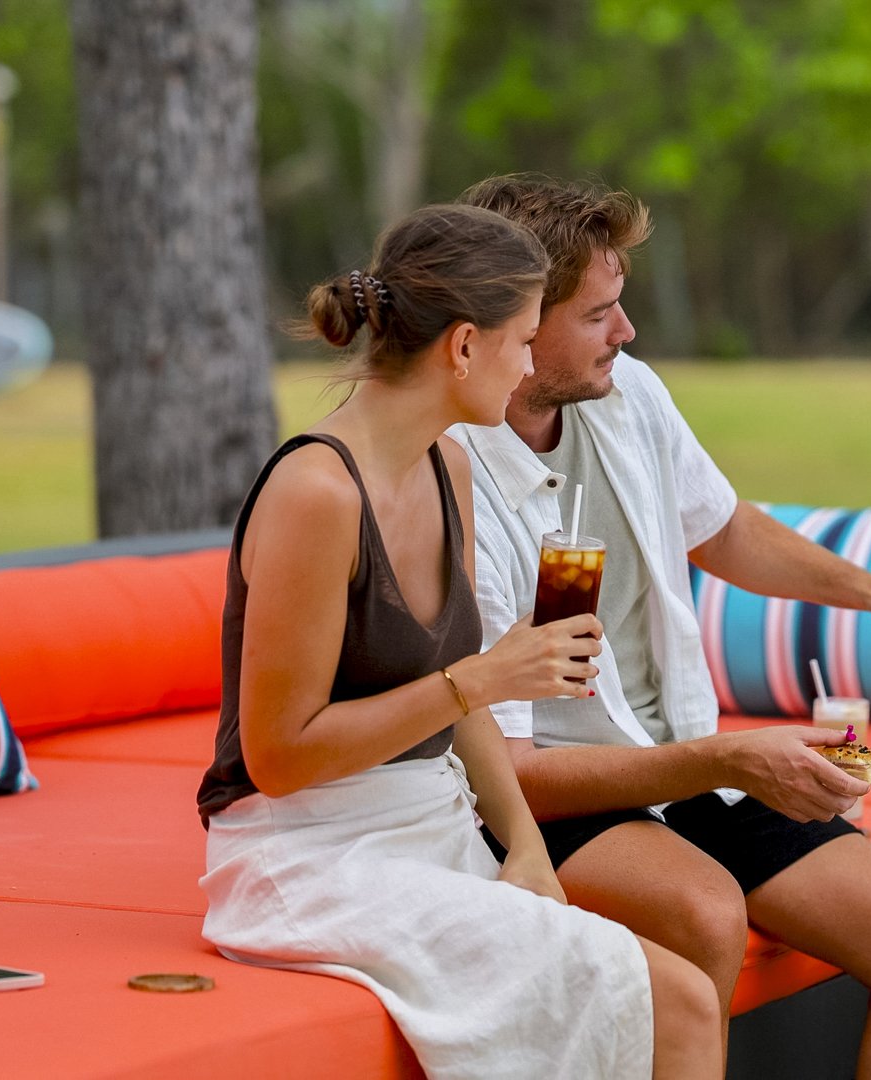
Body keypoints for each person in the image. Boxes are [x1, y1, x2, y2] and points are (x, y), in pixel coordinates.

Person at [453, 175, 871, 1078]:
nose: (626, 333)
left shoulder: (629, 395)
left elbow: (721, 525)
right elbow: (513, 773)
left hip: (677, 762)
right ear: (515, 324)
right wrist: (732, 760)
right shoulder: (452, 479)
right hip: (541, 797)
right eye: (599, 315)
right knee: (703, 909)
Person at [195, 204, 722, 1080]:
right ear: (464, 346)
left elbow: (465, 690)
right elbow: (278, 758)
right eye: (522, 341)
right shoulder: (317, 493)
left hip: (431, 825)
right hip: (308, 853)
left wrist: (522, 848)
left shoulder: (453, 466)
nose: (526, 366)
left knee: (666, 995)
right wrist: (471, 683)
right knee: (679, 1004)